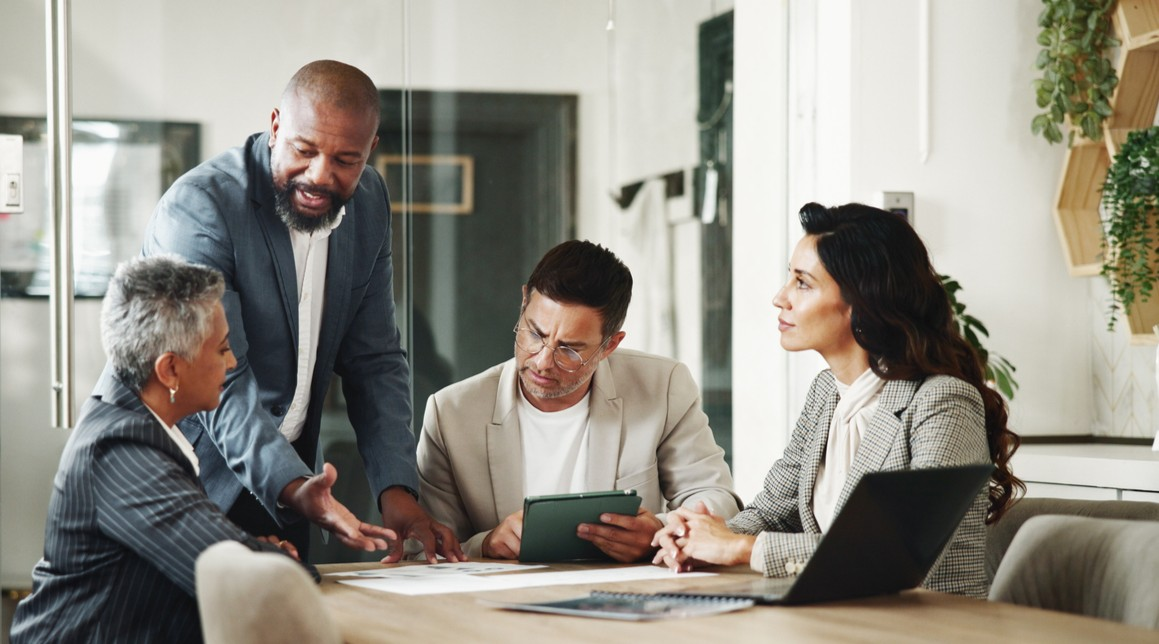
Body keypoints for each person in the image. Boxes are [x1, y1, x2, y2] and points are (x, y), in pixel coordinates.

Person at [133, 59, 461, 562]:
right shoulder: (202, 208)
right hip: (185, 481)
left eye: (345, 160)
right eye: (304, 151)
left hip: (287, 489)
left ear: (370, 151)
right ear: (275, 125)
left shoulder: (369, 202)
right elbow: (221, 378)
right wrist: (294, 484)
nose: (319, 175)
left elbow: (374, 359)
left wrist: (398, 492)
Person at [652, 202, 1023, 598]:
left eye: (803, 283)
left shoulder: (942, 401)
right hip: (832, 615)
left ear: (862, 302)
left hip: (929, 627)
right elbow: (771, 512)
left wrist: (739, 547)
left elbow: (898, 554)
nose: (781, 298)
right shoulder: (826, 394)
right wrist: (692, 535)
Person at [11, 256, 356, 642]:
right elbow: (240, 578)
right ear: (170, 370)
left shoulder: (137, 424)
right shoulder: (121, 450)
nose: (231, 363)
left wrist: (251, 549)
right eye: (222, 349)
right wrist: (272, 558)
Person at [417, 240, 741, 561]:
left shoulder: (662, 386)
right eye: (534, 334)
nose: (543, 361)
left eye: (570, 349)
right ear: (523, 303)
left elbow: (717, 499)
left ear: (610, 346)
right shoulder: (451, 414)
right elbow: (422, 552)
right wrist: (485, 545)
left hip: (619, 599)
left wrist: (658, 531)